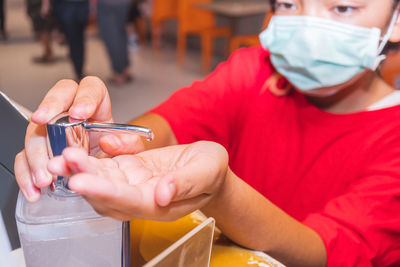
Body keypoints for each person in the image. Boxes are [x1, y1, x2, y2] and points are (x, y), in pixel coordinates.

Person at [14, 0, 400, 266]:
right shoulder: (255, 71)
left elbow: (320, 254)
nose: (308, 26)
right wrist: (104, 145)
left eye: (343, 6)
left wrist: (223, 194)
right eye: (288, 3)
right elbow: (166, 126)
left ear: (395, 19)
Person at [97, 0, 132, 85]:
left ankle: (119, 73)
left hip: (108, 3)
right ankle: (125, 69)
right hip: (124, 3)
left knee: (111, 36)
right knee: (121, 34)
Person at [52, 0, 89, 81]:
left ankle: (78, 70)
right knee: (78, 40)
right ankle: (79, 69)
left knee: (74, 41)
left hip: (67, 6)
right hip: (80, 6)